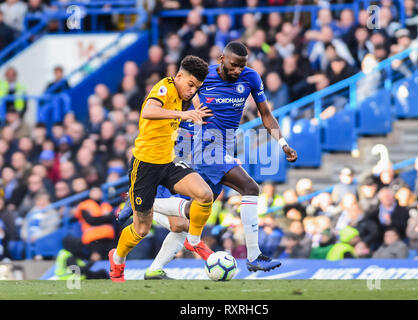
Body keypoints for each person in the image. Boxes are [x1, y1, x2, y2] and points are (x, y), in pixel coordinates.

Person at [118, 42, 298, 278]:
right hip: (205, 146)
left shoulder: (251, 78)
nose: (237, 71)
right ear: (222, 59)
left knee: (187, 219)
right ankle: (254, 257)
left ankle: (154, 266)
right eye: (233, 65)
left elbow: (266, 115)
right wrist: (185, 122)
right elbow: (184, 95)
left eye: (241, 67)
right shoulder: (205, 77)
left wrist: (283, 144)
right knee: (250, 188)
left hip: (224, 147)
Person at [109, 55, 214, 282]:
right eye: (190, 85)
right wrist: (183, 114)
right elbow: (148, 110)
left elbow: (175, 119)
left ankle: (193, 241)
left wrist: (192, 116)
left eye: (197, 87)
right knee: (142, 229)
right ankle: (117, 260)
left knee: (205, 195)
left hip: (168, 161)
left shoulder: (183, 96)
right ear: (178, 76)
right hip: (145, 164)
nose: (192, 91)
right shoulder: (165, 87)